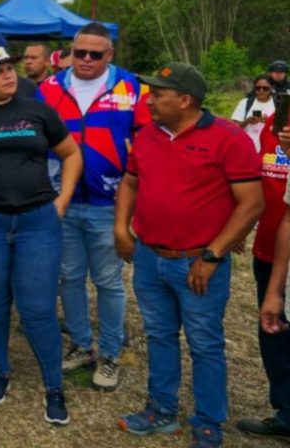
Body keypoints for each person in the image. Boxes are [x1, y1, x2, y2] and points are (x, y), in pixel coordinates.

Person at [115, 62, 264, 447]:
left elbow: (251, 204)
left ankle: (209, 421)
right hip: (149, 257)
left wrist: (212, 256)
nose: (149, 100)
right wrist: (121, 228)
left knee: (204, 342)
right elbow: (131, 181)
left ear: (184, 100)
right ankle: (161, 410)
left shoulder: (229, 139)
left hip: (197, 261)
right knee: (159, 334)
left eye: (158, 93)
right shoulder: (147, 135)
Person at [0, 46, 82, 426]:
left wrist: (63, 201)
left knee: (38, 307)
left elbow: (71, 154)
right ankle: (0, 370)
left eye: (11, 68)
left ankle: (54, 385)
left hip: (37, 222)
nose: (9, 75)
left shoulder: (37, 110)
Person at [38, 21, 149, 391]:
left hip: (110, 201)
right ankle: (82, 345)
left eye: (95, 54)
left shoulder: (132, 87)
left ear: (110, 54)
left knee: (107, 281)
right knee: (69, 276)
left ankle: (111, 353)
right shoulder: (50, 87)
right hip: (63, 199)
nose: (85, 60)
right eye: (79, 52)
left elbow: (147, 141)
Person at [235, 114, 290, 442]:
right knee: (275, 339)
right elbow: (251, 177)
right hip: (271, 252)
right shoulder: (274, 122)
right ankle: (286, 413)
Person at [230, 75, 275, 152]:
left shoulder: (278, 104)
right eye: (258, 88)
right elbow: (234, 128)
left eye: (265, 88)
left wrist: (269, 121)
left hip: (270, 150)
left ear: (272, 88)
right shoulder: (245, 103)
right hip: (247, 148)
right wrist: (247, 121)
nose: (261, 91)